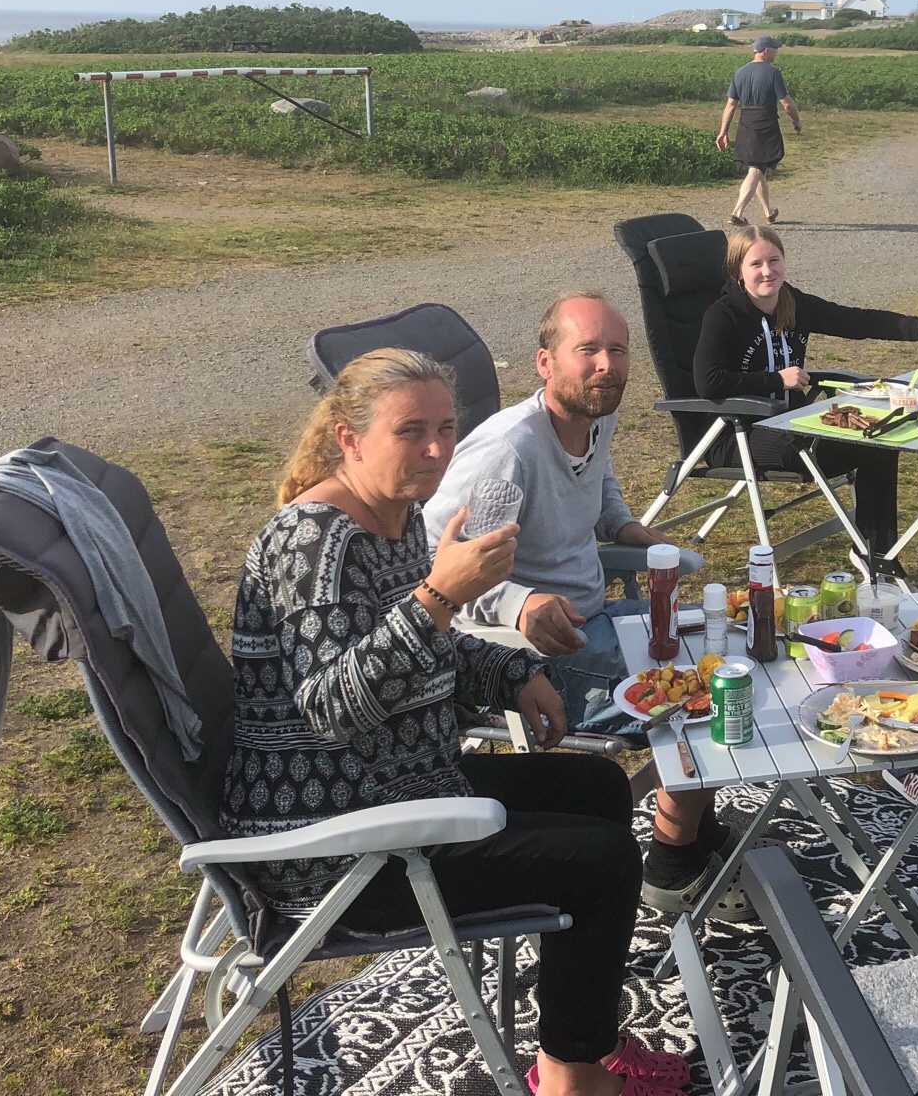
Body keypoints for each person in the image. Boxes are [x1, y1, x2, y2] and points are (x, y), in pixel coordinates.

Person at [221, 348, 687, 1096]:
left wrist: (514, 672)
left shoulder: (395, 514)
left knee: (599, 787)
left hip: (402, 784)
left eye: (445, 429)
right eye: (411, 431)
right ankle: (571, 1075)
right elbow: (334, 707)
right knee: (600, 861)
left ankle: (581, 1030)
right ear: (348, 438)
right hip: (337, 841)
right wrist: (439, 594)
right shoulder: (313, 542)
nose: (437, 450)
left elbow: (425, 643)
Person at [425, 292, 740, 918]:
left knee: (726, 653)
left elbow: (602, 477)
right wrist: (517, 604)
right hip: (533, 654)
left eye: (617, 350)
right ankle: (672, 865)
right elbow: (437, 558)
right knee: (708, 703)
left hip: (596, 618)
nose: (605, 365)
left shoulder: (595, 413)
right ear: (545, 363)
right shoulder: (508, 453)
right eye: (587, 350)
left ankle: (695, 828)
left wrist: (623, 526)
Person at [693, 224, 918, 554]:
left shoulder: (792, 303)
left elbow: (854, 321)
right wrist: (775, 380)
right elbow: (708, 381)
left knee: (878, 443)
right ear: (738, 270)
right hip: (734, 433)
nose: (767, 271)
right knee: (811, 444)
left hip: (790, 424)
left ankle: (875, 556)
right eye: (756, 264)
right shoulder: (722, 315)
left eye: (774, 260)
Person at [715, 35, 801, 225]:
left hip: (746, 122)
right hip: (765, 122)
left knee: (758, 166)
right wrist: (797, 121)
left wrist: (723, 132)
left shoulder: (739, 72)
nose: (777, 52)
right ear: (767, 50)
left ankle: (768, 211)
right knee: (755, 169)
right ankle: (737, 213)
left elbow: (731, 105)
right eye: (775, 49)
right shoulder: (773, 73)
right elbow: (787, 104)